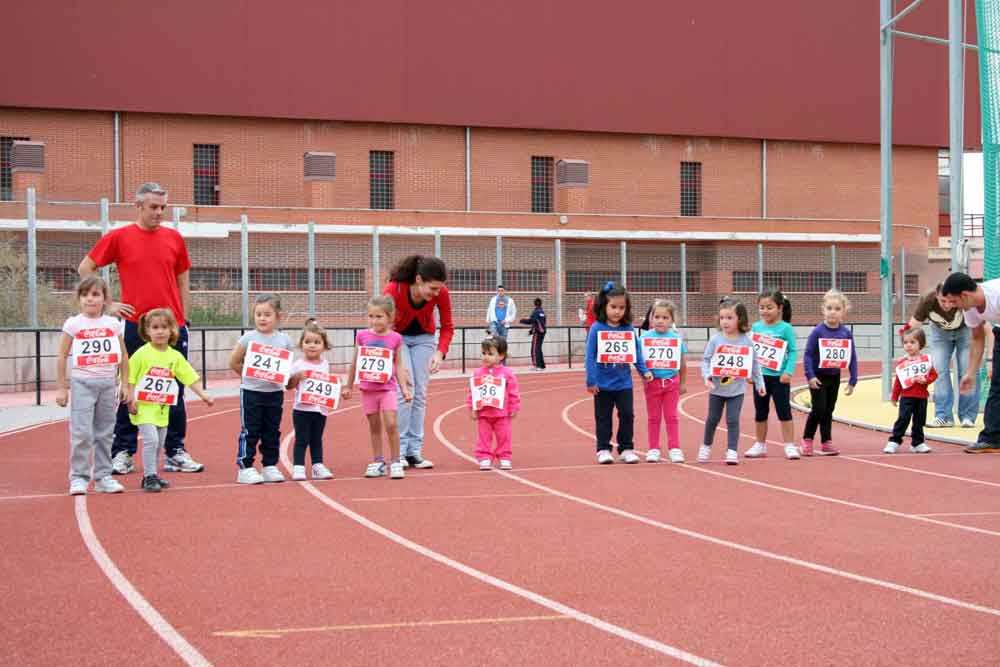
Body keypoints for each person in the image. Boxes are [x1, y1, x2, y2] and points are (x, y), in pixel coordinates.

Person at [79, 182, 203, 476]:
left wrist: (183, 319)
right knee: (129, 388)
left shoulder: (174, 238)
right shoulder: (119, 237)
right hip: (135, 326)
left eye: (163, 207)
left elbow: (183, 279)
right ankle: (123, 450)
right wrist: (109, 304)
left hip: (171, 327)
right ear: (138, 206)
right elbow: (85, 268)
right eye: (153, 207)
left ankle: (175, 451)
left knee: (173, 390)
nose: (159, 212)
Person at [56, 276, 129, 495]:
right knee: (81, 433)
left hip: (108, 384)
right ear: (79, 299)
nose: (90, 299)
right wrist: (62, 387)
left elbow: (124, 356)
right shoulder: (74, 324)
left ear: (105, 299)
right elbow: (61, 355)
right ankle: (79, 477)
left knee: (105, 432)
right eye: (85, 295)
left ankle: (103, 476)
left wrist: (126, 384)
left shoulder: (113, 324)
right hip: (82, 384)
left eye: (96, 294)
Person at [127, 309, 213, 492]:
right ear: (147, 331)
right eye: (155, 327)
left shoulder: (174, 356)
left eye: (164, 327)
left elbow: (189, 377)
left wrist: (203, 395)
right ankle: (149, 477)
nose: (160, 331)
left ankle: (153, 474)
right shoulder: (141, 354)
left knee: (159, 442)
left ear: (172, 330)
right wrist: (130, 398)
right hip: (143, 408)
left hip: (162, 409)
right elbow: (130, 377)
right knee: (150, 440)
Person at [384, 255, 454, 469]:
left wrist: (440, 353)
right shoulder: (393, 290)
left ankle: (415, 452)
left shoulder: (441, 293)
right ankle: (401, 450)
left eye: (438, 289)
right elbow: (384, 325)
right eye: (432, 288)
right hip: (398, 338)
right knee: (406, 389)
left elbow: (448, 325)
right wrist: (396, 359)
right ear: (418, 279)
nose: (435, 294)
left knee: (421, 392)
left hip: (424, 339)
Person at [343, 296, 413, 479]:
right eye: (371, 316)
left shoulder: (395, 338)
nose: (374, 321)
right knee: (374, 427)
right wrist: (348, 386)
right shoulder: (362, 336)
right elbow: (354, 362)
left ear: (390, 317)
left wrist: (404, 389)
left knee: (391, 423)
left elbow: (398, 365)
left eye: (379, 316)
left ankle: (396, 461)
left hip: (387, 389)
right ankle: (378, 461)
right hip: (368, 390)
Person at [228, 293, 293, 484]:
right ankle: (245, 467)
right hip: (251, 392)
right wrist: (250, 375)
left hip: (274, 393)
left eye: (267, 314)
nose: (262, 318)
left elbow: (286, 369)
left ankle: (269, 466)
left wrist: (290, 379)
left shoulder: (284, 340)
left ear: (278, 316)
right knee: (251, 429)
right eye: (258, 314)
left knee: (271, 430)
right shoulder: (248, 338)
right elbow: (233, 361)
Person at [585, 281, 652, 464]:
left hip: (623, 383)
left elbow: (636, 352)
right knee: (603, 417)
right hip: (602, 384)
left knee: (627, 415)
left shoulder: (628, 329)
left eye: (621, 308)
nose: (617, 311)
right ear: (604, 306)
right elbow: (590, 356)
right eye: (613, 307)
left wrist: (643, 370)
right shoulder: (597, 328)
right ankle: (603, 449)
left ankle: (626, 448)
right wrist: (591, 381)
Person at [939, 271, 1000, 453]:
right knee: (997, 387)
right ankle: (993, 438)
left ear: (964, 295)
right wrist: (971, 373)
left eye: (954, 301)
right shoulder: (970, 308)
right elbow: (977, 337)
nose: (952, 306)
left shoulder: (997, 294)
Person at [700, 298, 766, 465]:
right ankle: (706, 446)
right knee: (712, 419)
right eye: (722, 318)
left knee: (733, 420)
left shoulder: (747, 342)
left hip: (736, 390)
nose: (725, 322)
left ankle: (732, 450)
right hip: (717, 389)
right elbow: (706, 360)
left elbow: (755, 364)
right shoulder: (715, 340)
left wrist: (760, 384)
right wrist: (707, 376)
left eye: (729, 318)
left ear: (740, 319)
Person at [908, 282, 979, 428]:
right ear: (936, 296)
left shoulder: (964, 299)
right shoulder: (928, 299)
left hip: (965, 331)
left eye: (951, 301)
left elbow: (980, 324)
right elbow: (914, 324)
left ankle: (967, 416)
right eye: (942, 301)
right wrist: (909, 349)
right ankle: (943, 415)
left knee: (967, 369)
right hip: (940, 333)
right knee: (939, 369)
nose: (947, 305)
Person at [801, 289, 858, 456]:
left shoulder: (846, 333)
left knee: (829, 409)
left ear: (844, 312)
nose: (833, 312)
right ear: (823, 310)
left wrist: (853, 379)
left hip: (834, 377)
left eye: (837, 309)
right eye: (829, 308)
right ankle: (807, 439)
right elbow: (808, 355)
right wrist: (810, 375)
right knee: (818, 408)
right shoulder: (818, 332)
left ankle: (826, 441)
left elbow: (852, 356)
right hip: (818, 377)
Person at [745, 290, 800, 460]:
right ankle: (760, 444)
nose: (765, 311)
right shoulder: (756, 327)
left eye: (769, 307)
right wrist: (750, 372)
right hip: (760, 377)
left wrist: (788, 371)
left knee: (784, 412)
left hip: (779, 378)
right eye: (762, 307)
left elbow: (793, 351)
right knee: (760, 412)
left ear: (779, 308)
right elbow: (751, 351)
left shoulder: (786, 328)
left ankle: (790, 445)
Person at [286, 319, 335, 481]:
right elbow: (288, 386)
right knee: (301, 438)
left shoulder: (325, 364)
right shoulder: (297, 364)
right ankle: (298, 467)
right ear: (301, 344)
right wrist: (297, 377)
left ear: (324, 346)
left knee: (316, 439)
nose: (312, 345)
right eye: (307, 342)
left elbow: (327, 386)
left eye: (316, 342)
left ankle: (317, 465)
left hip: (319, 409)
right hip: (301, 409)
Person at [639, 299, 687, 463]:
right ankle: (653, 448)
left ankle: (674, 448)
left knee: (672, 416)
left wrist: (683, 383)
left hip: (671, 383)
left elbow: (683, 362)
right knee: (653, 417)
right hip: (652, 384)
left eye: (665, 317)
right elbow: (640, 362)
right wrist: (644, 377)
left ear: (672, 321)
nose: (660, 320)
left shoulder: (676, 339)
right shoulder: (644, 338)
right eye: (657, 317)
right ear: (651, 318)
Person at [467, 336, 521, 470]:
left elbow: (513, 391)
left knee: (504, 436)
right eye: (484, 353)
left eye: (490, 354)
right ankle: (484, 457)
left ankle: (504, 456)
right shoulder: (478, 373)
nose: (486, 357)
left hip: (502, 414)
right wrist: (472, 408)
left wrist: (514, 407)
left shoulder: (507, 373)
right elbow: (472, 392)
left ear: (501, 355)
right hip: (484, 413)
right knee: (484, 437)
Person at [885, 326, 938, 454]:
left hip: (922, 397)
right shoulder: (902, 363)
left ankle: (917, 443)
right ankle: (894, 441)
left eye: (912, 342)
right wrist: (894, 396)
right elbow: (898, 381)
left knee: (919, 420)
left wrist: (926, 380)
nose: (909, 345)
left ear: (921, 344)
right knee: (903, 418)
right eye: (905, 342)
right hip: (906, 396)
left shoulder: (926, 361)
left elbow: (934, 374)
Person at [519, 297, 547, 370]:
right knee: (539, 348)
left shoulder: (536, 312)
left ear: (534, 304)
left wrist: (521, 321)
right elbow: (538, 322)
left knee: (535, 349)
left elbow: (531, 321)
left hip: (537, 333)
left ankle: (537, 365)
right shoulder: (542, 312)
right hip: (542, 332)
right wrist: (531, 331)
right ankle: (542, 365)